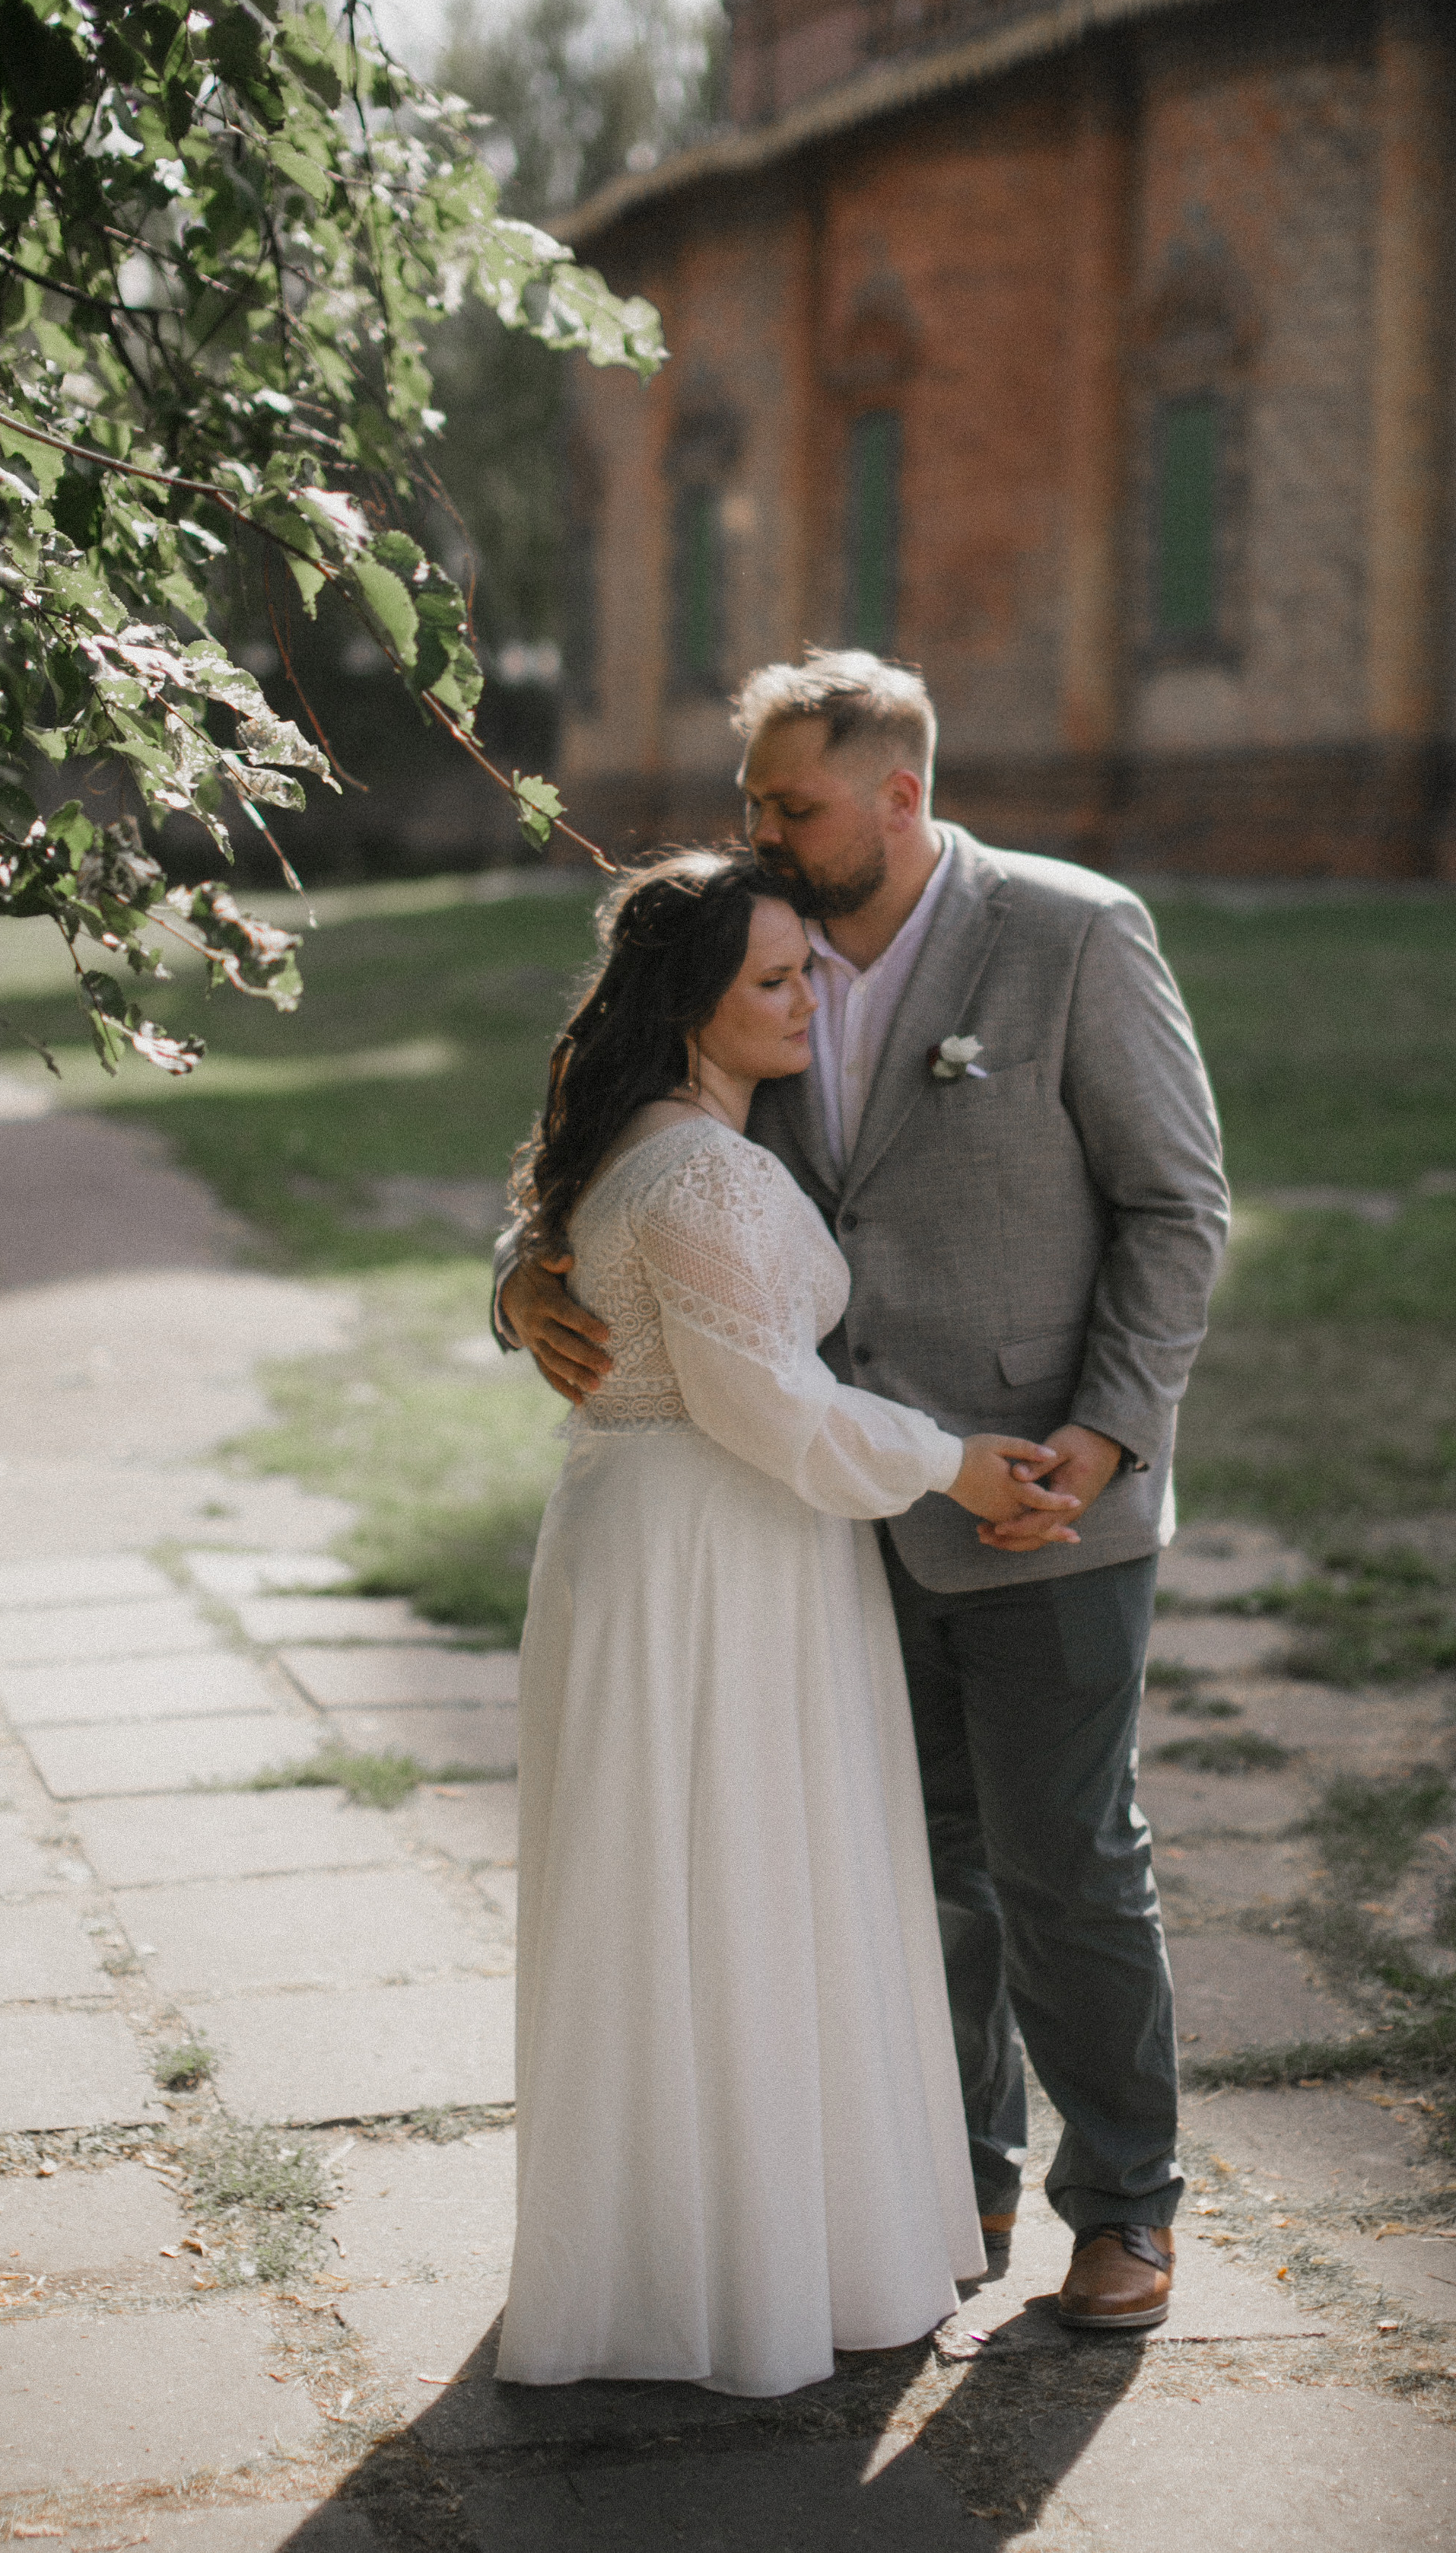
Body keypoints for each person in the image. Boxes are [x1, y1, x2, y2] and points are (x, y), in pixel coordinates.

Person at [499, 653, 1229, 2334]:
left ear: (898, 794)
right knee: (902, 1862)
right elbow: (631, 1144)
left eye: (788, 802)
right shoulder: (751, 950)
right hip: (819, 1517)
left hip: (1036, 1492)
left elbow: (1176, 1209)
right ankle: (940, 2174)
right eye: (750, 799)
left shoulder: (1070, 931)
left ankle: (1122, 2203)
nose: (757, 826)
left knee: (1062, 1861)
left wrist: (1103, 1442)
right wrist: (523, 1277)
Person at [495, 851, 1083, 2399]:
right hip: (709, 1553)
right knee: (728, 1886)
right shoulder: (699, 1172)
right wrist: (952, 1461)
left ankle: (699, 2249)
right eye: (772, 981)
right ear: (693, 1008)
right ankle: (723, 2278)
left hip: (704, 1544)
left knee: (699, 1891)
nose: (808, 995)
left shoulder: (668, 1142)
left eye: (806, 971)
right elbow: (770, 1405)